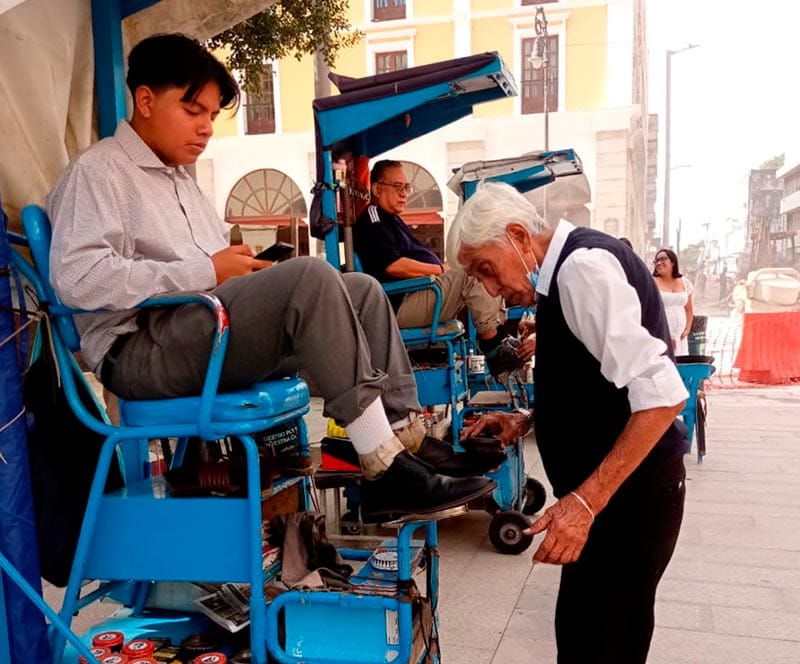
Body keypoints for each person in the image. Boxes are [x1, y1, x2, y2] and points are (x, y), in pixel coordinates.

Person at [46, 33, 496, 523]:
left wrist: (246, 270)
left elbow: (215, 269)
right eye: (193, 110)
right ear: (146, 100)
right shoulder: (98, 173)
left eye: (212, 117)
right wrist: (208, 269)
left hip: (200, 328)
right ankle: (382, 465)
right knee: (311, 277)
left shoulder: (181, 180)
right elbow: (78, 279)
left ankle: (405, 440)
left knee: (361, 290)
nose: (205, 129)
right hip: (139, 348)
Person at [449, 182, 689, 664]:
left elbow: (662, 396)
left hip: (628, 501)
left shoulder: (581, 269)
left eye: (487, 270)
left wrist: (583, 503)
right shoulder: (564, 271)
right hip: (610, 503)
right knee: (581, 637)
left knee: (605, 643)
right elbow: (601, 382)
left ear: (517, 235)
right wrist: (530, 418)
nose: (491, 288)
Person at [353, 160, 524, 377]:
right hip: (400, 303)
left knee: (473, 264)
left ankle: (497, 337)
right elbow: (394, 266)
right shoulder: (373, 218)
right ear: (377, 189)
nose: (404, 193)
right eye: (397, 187)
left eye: (406, 187)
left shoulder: (392, 219)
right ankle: (494, 348)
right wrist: (440, 270)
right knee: (470, 272)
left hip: (419, 293)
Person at [652, 248, 694, 355]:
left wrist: (687, 330)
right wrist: (664, 335)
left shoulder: (685, 282)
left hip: (681, 338)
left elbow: (688, 309)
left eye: (663, 259)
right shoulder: (652, 282)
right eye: (656, 261)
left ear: (673, 262)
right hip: (661, 337)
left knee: (681, 368)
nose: (659, 263)